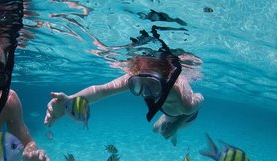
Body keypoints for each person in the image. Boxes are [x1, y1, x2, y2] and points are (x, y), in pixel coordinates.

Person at [44, 52, 204, 145]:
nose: (145, 92)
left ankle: (175, 129)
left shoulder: (183, 101)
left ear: (166, 82)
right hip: (168, 110)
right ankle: (170, 126)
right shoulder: (140, 76)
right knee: (156, 130)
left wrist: (176, 126)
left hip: (187, 116)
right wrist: (69, 100)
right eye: (138, 85)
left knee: (165, 130)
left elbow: (199, 101)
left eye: (153, 86)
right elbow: (102, 90)